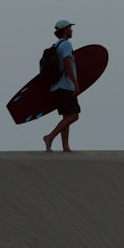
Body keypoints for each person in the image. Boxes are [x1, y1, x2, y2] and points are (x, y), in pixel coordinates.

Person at [43, 20, 80, 152]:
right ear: (65, 30)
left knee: (66, 115)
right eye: (70, 28)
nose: (71, 30)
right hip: (65, 86)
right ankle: (50, 137)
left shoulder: (56, 45)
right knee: (74, 115)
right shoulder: (66, 45)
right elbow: (68, 64)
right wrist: (76, 84)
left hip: (55, 86)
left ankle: (65, 146)